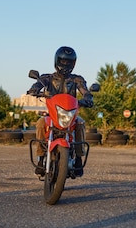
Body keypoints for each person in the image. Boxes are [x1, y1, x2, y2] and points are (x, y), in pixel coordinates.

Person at [27, 46, 94, 177]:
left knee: (80, 123)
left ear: (73, 63)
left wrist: (88, 98)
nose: (65, 64)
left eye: (68, 62)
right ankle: (41, 158)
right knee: (41, 123)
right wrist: (34, 89)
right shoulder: (48, 78)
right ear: (57, 61)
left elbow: (84, 90)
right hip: (53, 114)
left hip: (70, 115)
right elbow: (38, 84)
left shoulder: (77, 80)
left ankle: (79, 158)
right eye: (62, 61)